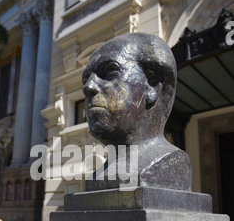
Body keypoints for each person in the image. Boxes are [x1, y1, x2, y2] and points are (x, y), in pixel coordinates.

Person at [82, 32, 192, 191]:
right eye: (86, 79)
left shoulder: (167, 163)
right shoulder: (99, 175)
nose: (88, 87)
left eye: (110, 71)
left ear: (152, 85)